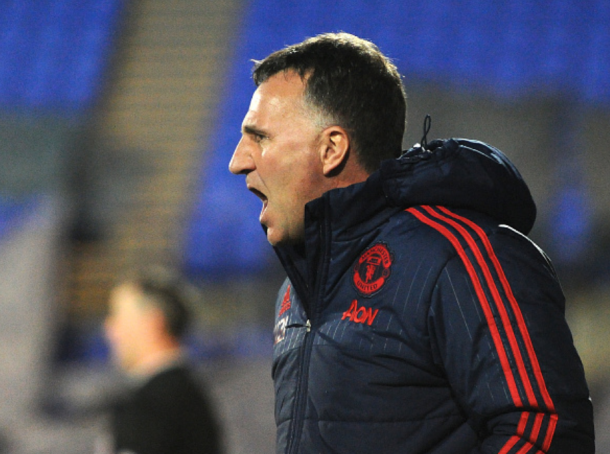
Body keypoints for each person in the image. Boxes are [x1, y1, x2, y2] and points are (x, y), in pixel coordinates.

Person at [228, 32, 595, 453]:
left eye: (260, 137)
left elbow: (546, 432)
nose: (237, 160)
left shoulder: (460, 257)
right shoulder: (295, 291)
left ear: (331, 149)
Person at [103, 267, 223, 454]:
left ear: (152, 323)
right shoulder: (187, 395)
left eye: (117, 316)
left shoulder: (154, 404)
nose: (109, 329)